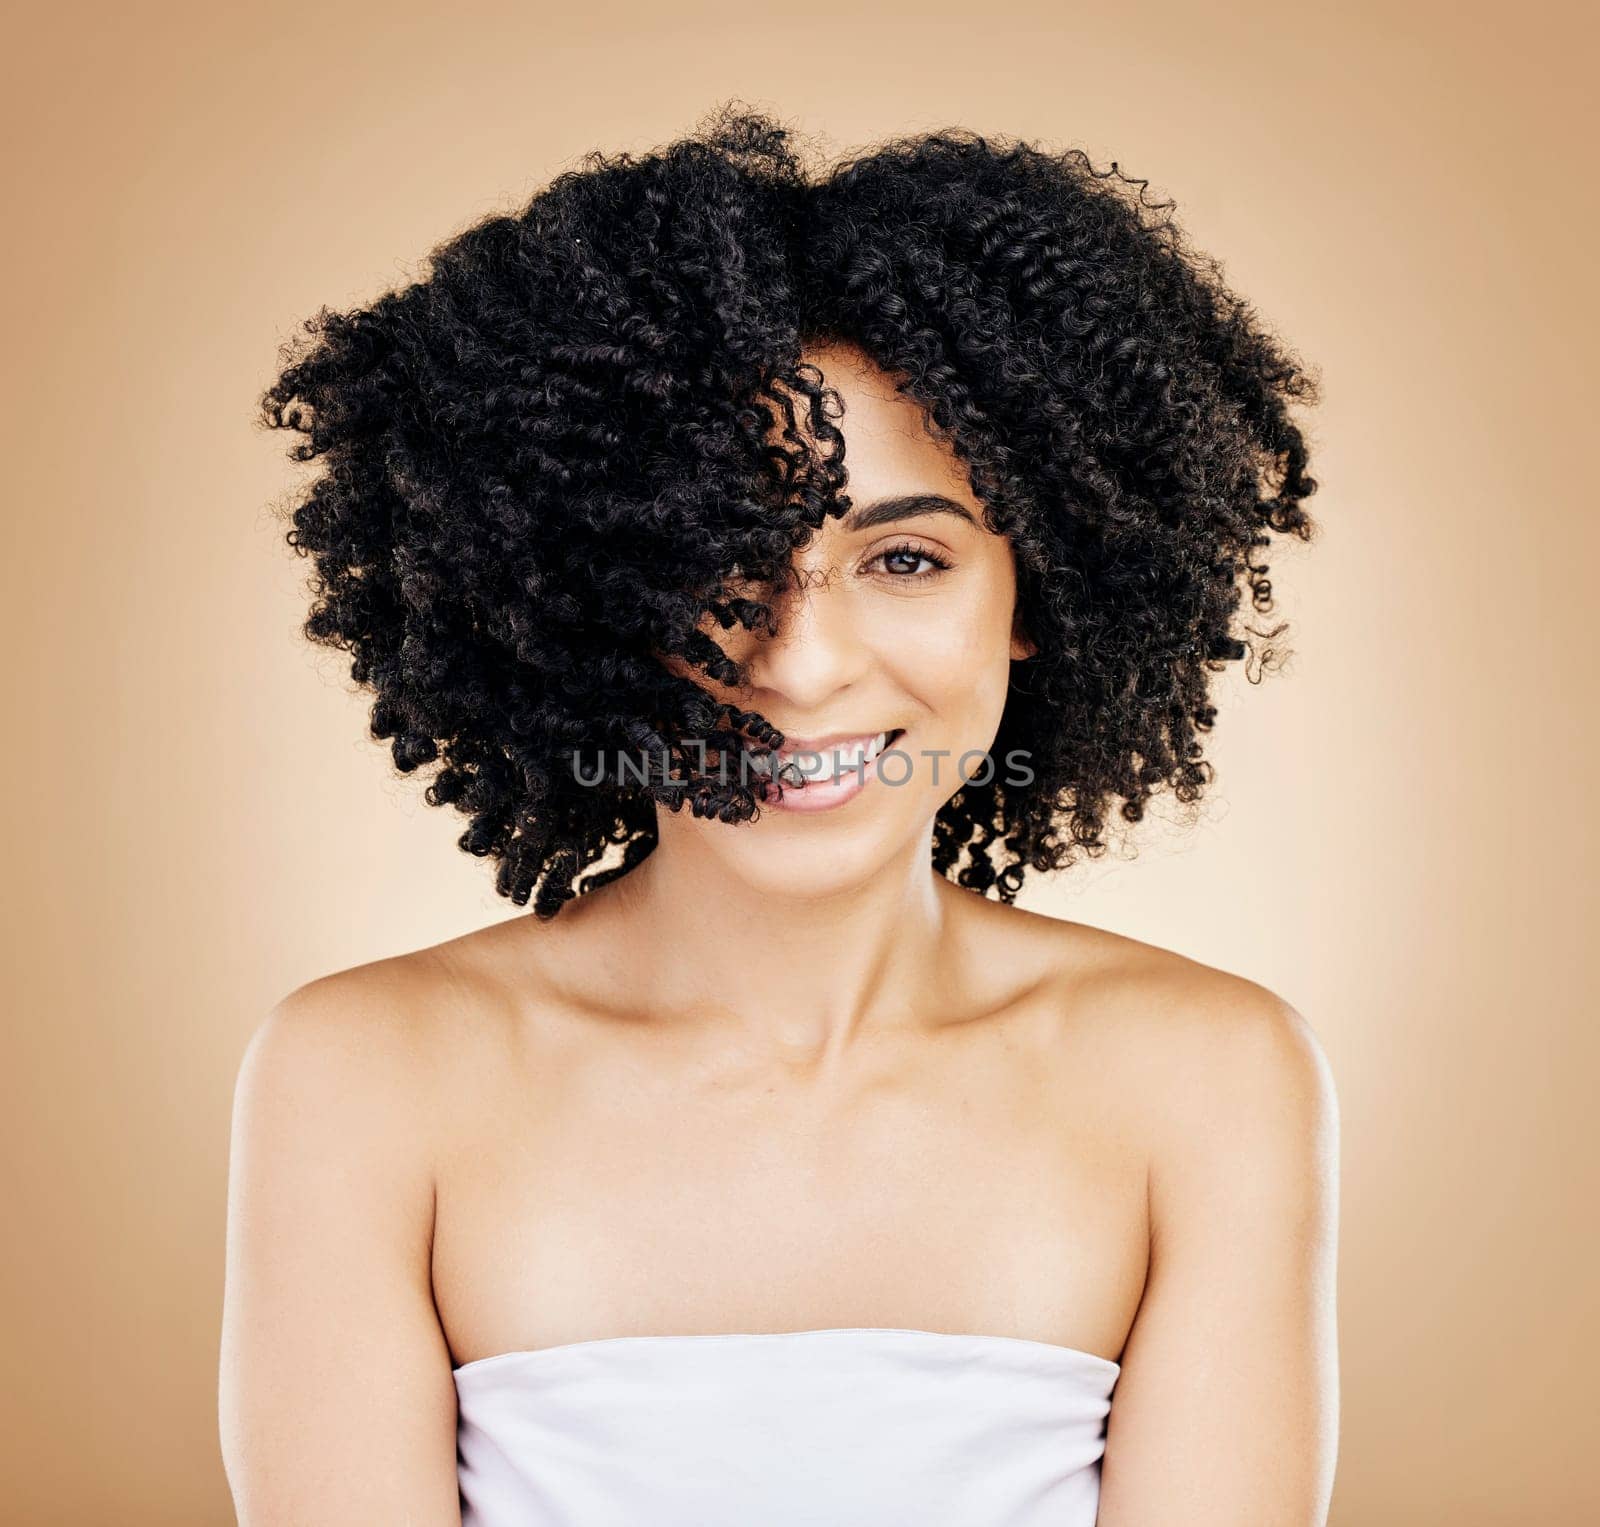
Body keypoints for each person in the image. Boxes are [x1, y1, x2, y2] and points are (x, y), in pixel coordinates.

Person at [220, 101, 1340, 1525]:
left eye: (909, 559)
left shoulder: (1209, 1081)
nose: (802, 664)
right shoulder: (364, 1079)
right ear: (584, 594)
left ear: (1040, 597)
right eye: (717, 559)